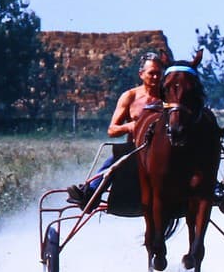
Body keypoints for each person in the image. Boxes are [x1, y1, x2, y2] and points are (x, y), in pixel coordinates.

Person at [67, 51, 166, 206]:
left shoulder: (169, 96)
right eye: (151, 73)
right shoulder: (130, 97)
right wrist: (131, 126)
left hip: (165, 151)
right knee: (115, 161)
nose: (156, 77)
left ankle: (212, 188)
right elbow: (112, 130)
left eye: (159, 74)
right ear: (141, 74)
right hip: (136, 151)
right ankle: (90, 192)